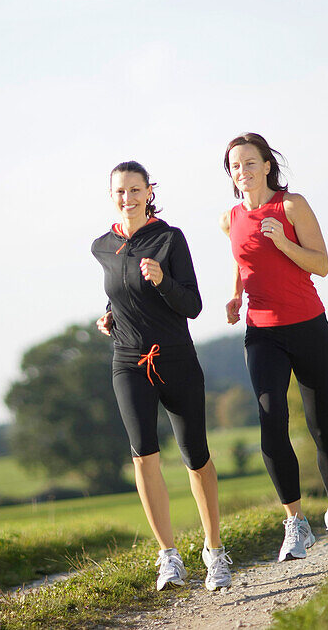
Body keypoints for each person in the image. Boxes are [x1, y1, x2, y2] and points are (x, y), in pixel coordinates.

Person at [92, 160, 232, 592]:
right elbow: (122, 293)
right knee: (143, 456)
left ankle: (214, 552)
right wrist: (111, 317)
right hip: (128, 362)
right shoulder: (101, 246)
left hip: (175, 360)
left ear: (149, 191)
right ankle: (168, 557)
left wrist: (163, 280)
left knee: (196, 457)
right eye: (120, 191)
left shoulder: (169, 239)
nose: (127, 199)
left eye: (135, 190)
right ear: (111, 194)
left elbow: (192, 305)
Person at [220, 132, 328, 567]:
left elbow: (322, 264)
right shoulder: (230, 218)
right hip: (262, 333)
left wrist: (282, 240)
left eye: (249, 162)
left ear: (266, 165)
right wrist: (235, 294)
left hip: (309, 328)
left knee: (323, 428)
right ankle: (295, 521)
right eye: (235, 165)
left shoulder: (291, 206)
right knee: (270, 421)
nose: (242, 171)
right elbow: (242, 260)